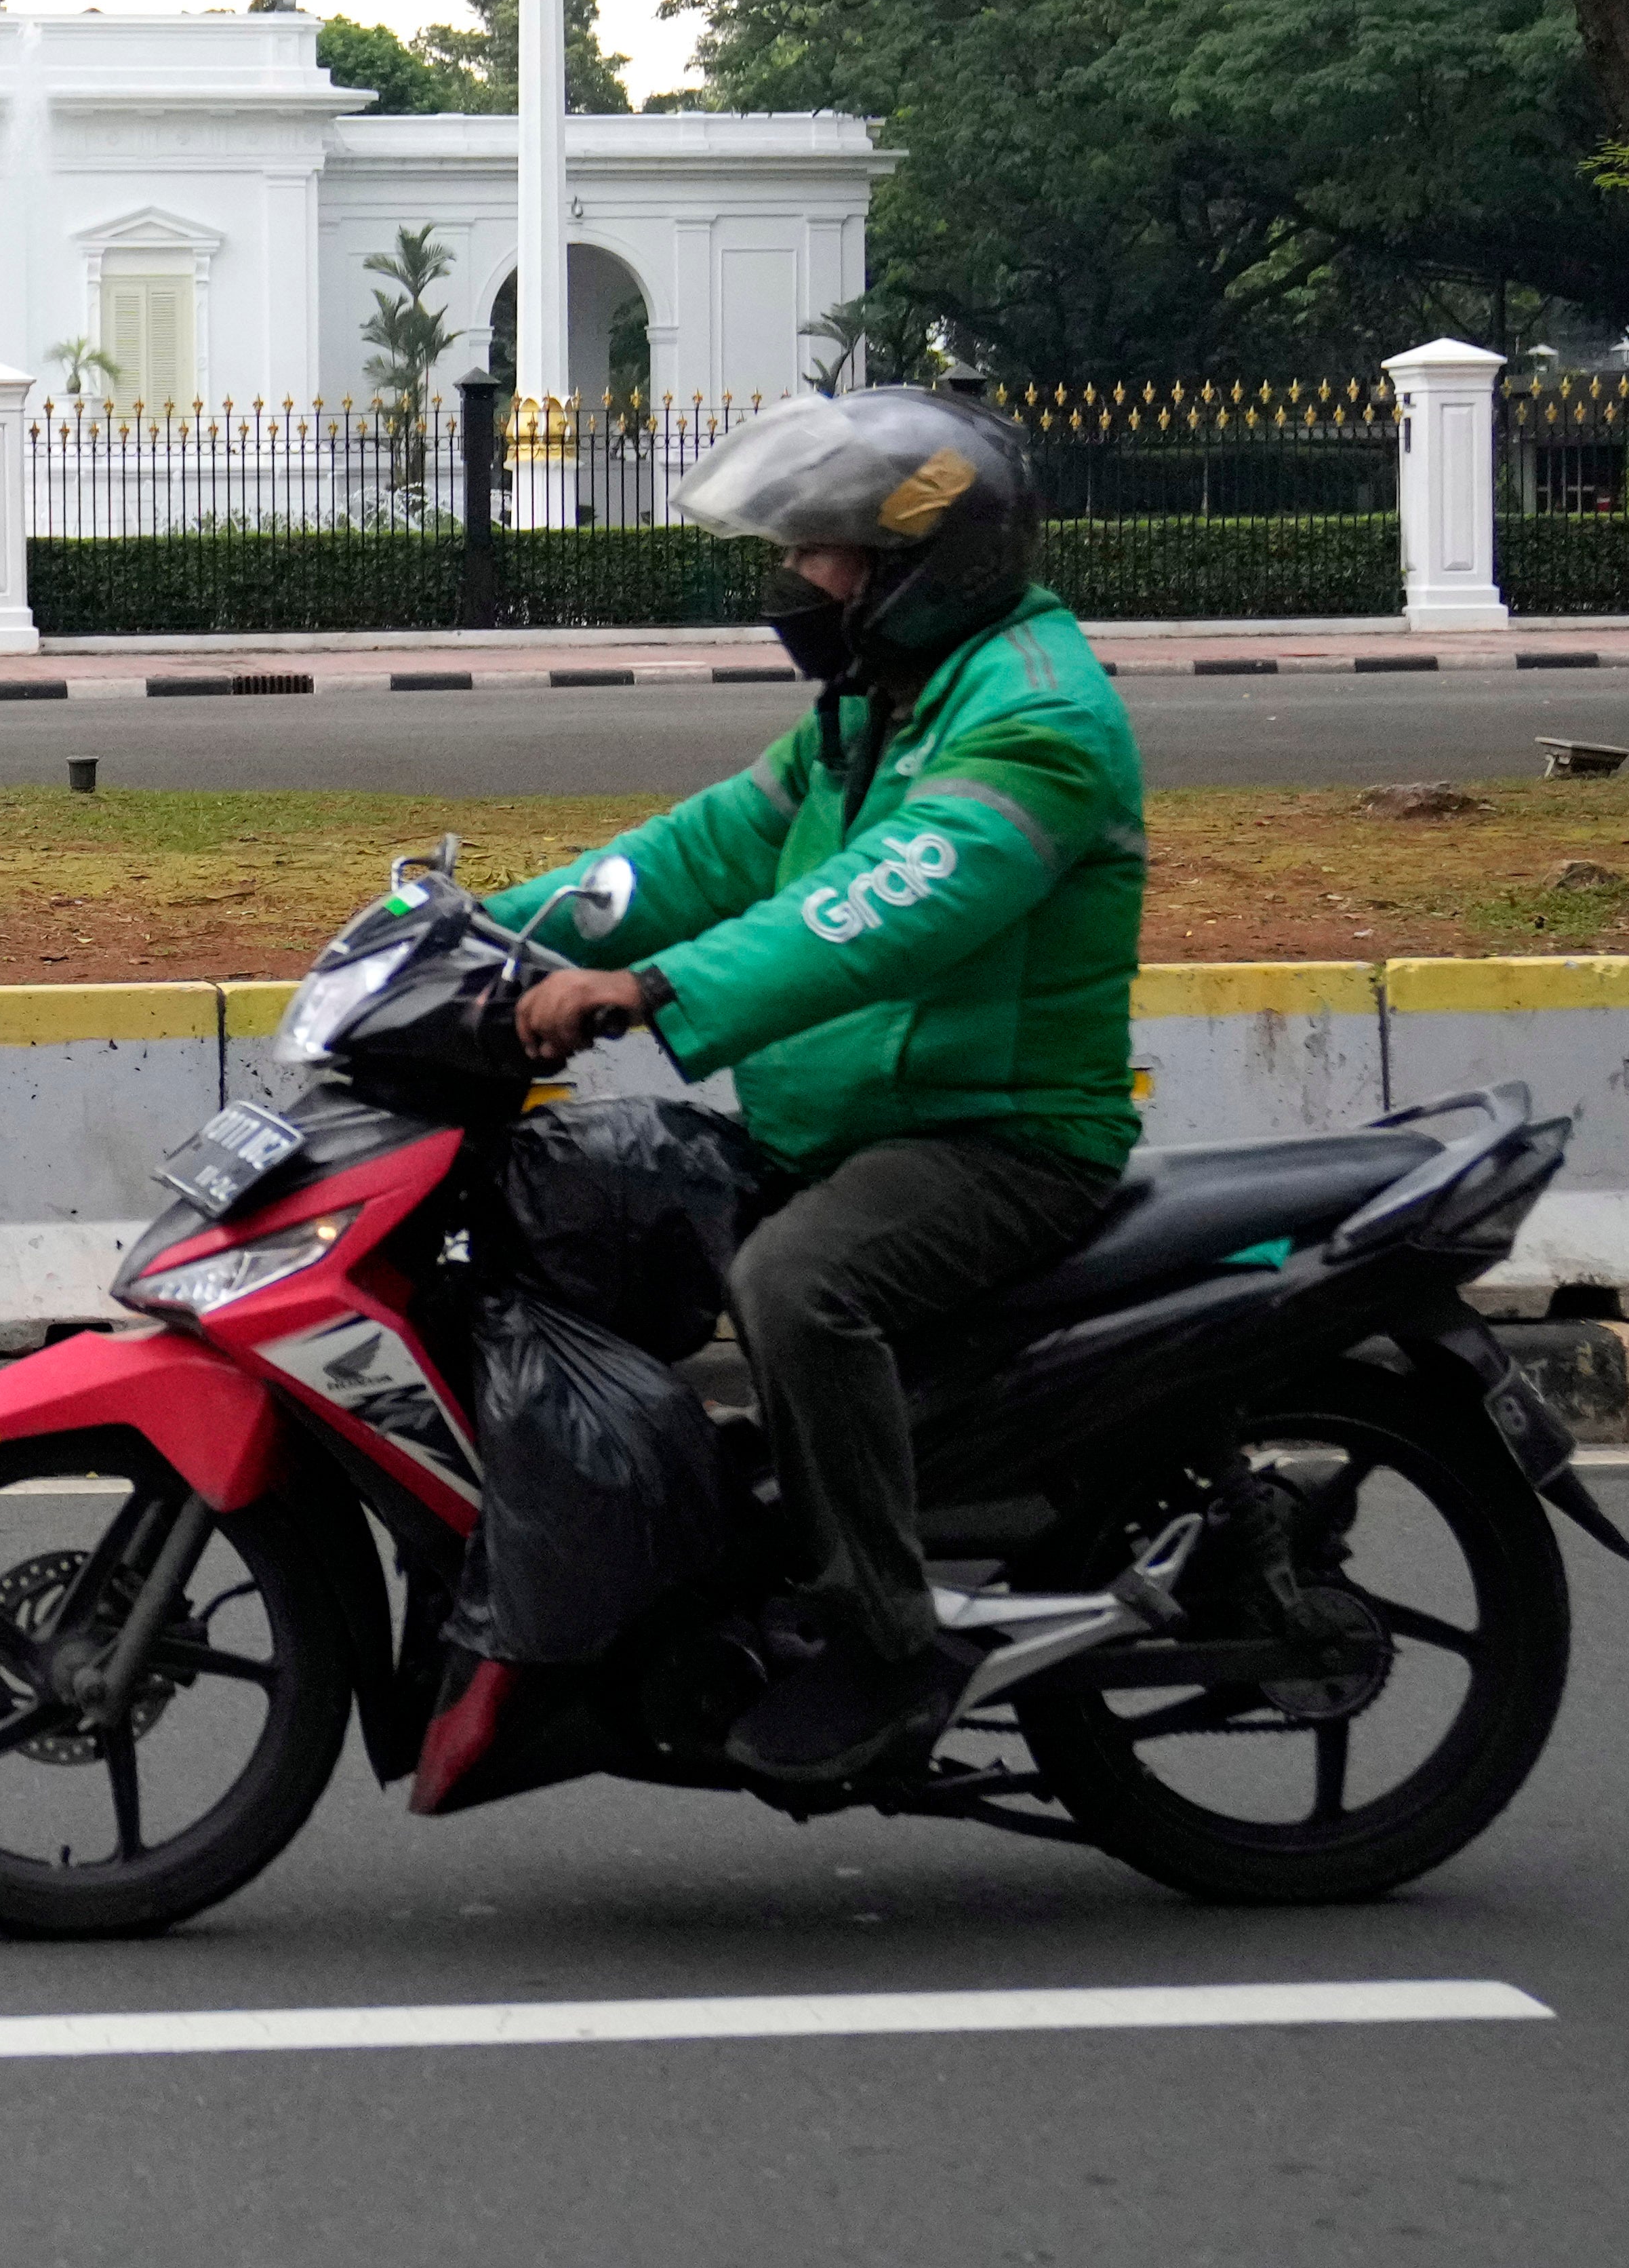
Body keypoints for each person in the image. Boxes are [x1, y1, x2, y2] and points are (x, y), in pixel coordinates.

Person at [481, 386, 1144, 1785]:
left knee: (798, 1283)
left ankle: (883, 1641)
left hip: (996, 1135)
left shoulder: (1032, 718)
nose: (795, 581)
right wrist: (484, 936)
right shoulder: (876, 708)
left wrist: (653, 988)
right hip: (850, 1121)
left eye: (822, 554)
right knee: (583, 1196)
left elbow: (880, 903)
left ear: (919, 567)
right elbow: (698, 854)